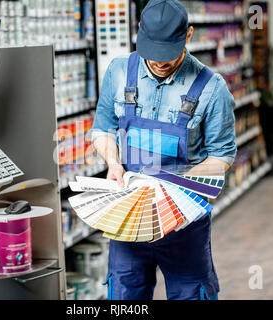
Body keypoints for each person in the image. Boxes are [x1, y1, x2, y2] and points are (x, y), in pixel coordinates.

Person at [90, 0, 237, 300]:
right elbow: (103, 129)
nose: (158, 61)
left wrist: (175, 188)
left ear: (189, 35)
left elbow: (222, 154)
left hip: (182, 223)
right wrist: (113, 163)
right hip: (129, 220)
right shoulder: (119, 72)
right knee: (124, 297)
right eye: (151, 51)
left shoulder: (212, 88)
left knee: (190, 294)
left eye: (167, 53)